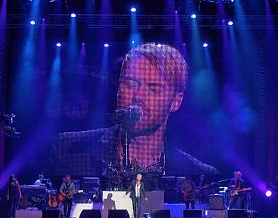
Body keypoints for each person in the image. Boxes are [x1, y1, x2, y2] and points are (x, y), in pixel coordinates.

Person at [44, 43, 218, 178]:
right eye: (130, 84)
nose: (138, 96)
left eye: (154, 88)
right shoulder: (66, 149)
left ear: (176, 102)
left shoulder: (196, 172)